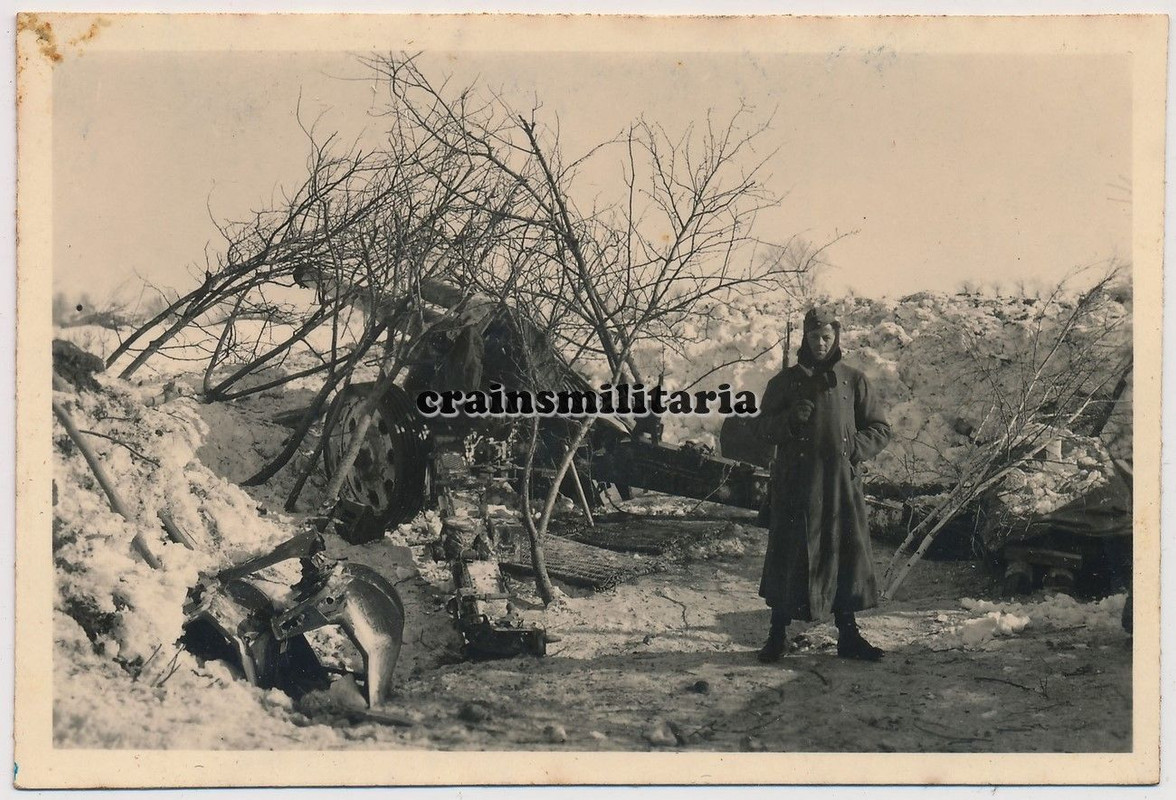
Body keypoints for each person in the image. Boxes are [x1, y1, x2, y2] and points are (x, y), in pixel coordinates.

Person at [755, 306, 891, 662]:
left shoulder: (853, 381)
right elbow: (762, 429)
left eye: (827, 337)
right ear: (804, 337)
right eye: (814, 337)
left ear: (836, 338)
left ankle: (849, 635)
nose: (820, 343)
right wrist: (790, 419)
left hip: (839, 488)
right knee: (791, 559)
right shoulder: (783, 383)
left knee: (842, 558)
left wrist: (852, 448)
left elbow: (879, 428)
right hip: (795, 490)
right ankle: (776, 636)